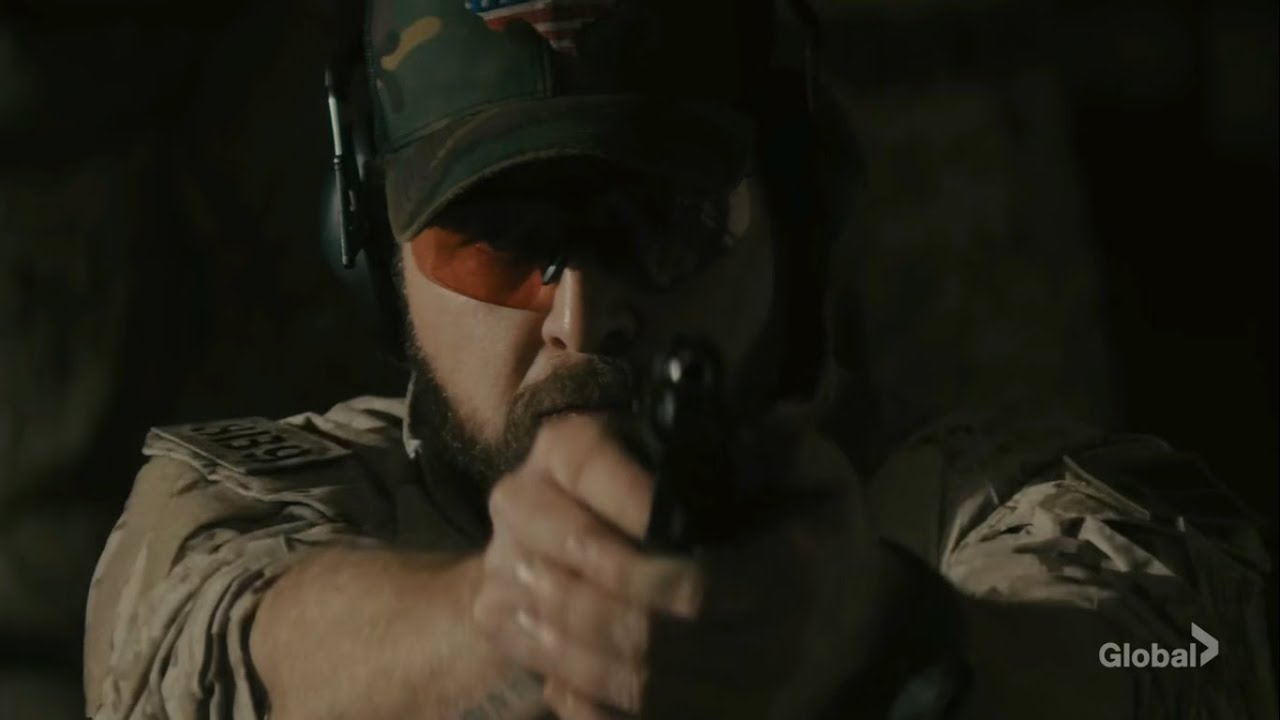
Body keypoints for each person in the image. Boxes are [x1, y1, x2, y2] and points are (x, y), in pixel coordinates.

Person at [83, 1, 1276, 718]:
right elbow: (189, 651)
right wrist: (510, 622)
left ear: (792, 214)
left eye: (658, 225)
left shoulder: (990, 510)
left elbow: (1179, 650)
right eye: (496, 240)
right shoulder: (253, 507)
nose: (584, 315)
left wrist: (885, 638)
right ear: (375, 248)